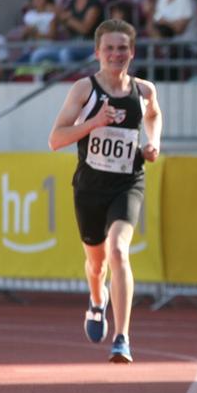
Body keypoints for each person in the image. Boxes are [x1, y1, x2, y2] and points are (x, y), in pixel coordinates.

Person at [47, 19, 163, 363]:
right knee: (96, 265)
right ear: (98, 52)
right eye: (109, 48)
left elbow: (154, 116)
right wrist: (95, 123)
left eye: (122, 48)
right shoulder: (85, 90)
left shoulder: (143, 91)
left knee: (118, 251)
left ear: (132, 52)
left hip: (128, 183)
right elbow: (56, 140)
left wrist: (154, 143)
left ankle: (122, 336)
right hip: (89, 188)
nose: (116, 54)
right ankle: (97, 301)